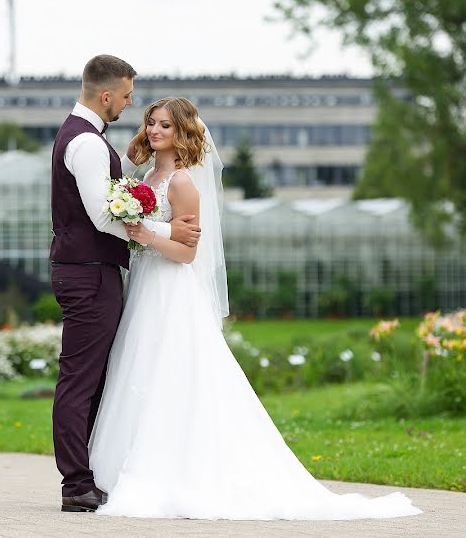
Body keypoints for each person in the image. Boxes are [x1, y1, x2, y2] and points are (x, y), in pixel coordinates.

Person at [88, 97, 422, 520]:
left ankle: (172, 470)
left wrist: (145, 233)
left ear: (183, 132)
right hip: (145, 285)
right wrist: (137, 227)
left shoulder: (182, 183)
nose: (154, 131)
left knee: (169, 371)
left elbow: (187, 253)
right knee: (138, 370)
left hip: (170, 289)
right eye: (151, 123)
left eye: (165, 126)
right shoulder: (148, 174)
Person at [48, 55, 202, 513]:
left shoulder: (84, 139)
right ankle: (77, 482)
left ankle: (92, 474)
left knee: (99, 379)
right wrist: (165, 232)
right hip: (89, 273)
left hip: (100, 272)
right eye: (130, 98)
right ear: (107, 95)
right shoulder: (89, 144)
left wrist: (159, 233)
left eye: (161, 123)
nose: (131, 107)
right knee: (82, 380)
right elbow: (102, 214)